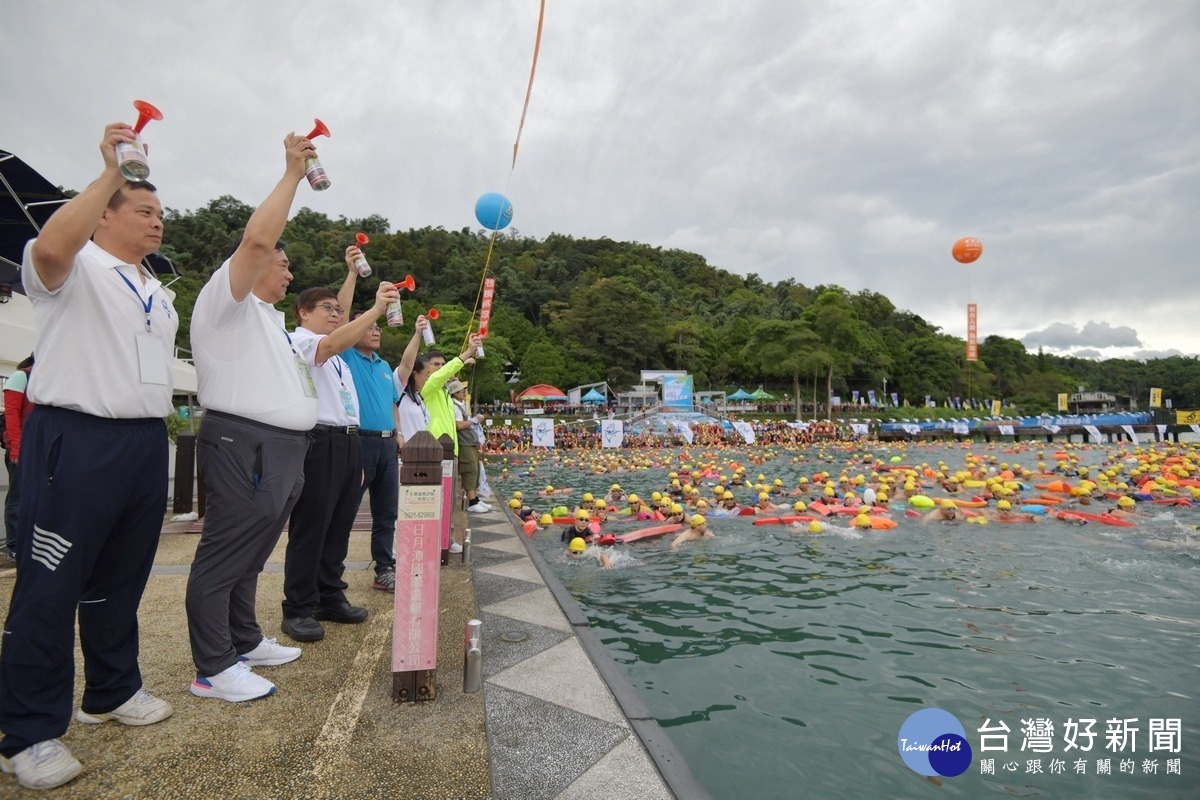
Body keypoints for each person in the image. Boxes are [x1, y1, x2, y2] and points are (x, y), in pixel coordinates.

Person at [0, 124, 177, 791]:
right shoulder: (73, 268)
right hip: (75, 439)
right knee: (51, 585)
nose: (157, 221)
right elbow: (48, 245)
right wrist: (110, 169)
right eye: (143, 210)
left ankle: (111, 689)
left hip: (138, 442)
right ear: (104, 213)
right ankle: (28, 731)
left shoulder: (158, 292)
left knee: (121, 579)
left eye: (161, 212)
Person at [186, 132, 323, 704]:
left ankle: (242, 639)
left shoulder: (268, 320)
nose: (288, 273)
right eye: (283, 262)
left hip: (283, 447)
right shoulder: (227, 301)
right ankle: (212, 667)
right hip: (245, 442)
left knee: (250, 553)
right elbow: (257, 237)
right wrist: (293, 173)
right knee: (224, 553)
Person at [280, 281, 398, 642]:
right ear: (304, 313)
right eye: (327, 309)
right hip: (319, 439)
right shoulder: (301, 341)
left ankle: (329, 594)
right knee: (312, 525)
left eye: (337, 309)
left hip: (348, 441)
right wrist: (377, 310)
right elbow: (333, 341)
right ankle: (298, 605)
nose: (335, 314)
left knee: (339, 526)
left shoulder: (337, 359)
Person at [342, 297, 401, 593]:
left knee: (387, 510)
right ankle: (332, 572)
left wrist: (398, 432)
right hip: (359, 443)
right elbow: (341, 327)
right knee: (346, 508)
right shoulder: (345, 357)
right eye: (369, 327)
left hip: (388, 446)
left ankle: (384, 568)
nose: (376, 331)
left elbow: (393, 404)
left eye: (379, 327)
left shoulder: (384, 365)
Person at [419, 334, 484, 553]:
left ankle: (447, 538)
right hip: (435, 450)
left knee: (450, 499)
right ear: (426, 368)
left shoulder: (446, 392)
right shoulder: (427, 386)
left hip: (451, 451)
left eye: (441, 364)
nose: (439, 368)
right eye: (435, 364)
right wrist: (466, 353)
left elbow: (448, 375)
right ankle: (433, 540)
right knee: (434, 499)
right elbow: (442, 375)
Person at [2, 354, 34, 562]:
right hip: (20, 450)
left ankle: (30, 544)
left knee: (36, 499)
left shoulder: (46, 380)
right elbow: (11, 414)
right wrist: (16, 448)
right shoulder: (20, 377)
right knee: (18, 499)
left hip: (39, 449)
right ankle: (14, 545)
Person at [449, 379, 488, 513]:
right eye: (462, 390)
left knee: (475, 469)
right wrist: (474, 420)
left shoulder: (461, 404)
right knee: (469, 469)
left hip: (469, 442)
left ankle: (476, 499)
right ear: (455, 393)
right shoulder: (454, 406)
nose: (465, 392)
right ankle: (471, 501)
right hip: (464, 443)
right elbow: (459, 425)